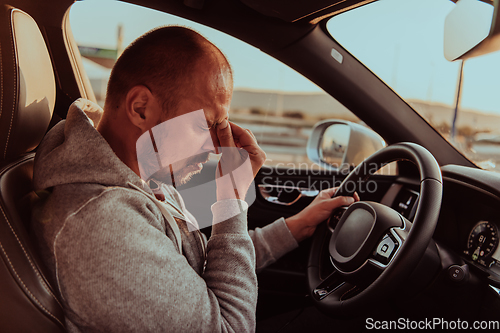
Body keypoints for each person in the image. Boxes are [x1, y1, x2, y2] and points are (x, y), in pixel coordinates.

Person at [32, 26, 356, 332]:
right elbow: (231, 327)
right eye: (205, 126)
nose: (217, 146)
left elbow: (199, 269)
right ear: (141, 108)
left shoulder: (142, 179)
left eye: (220, 128)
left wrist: (296, 226)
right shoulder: (102, 225)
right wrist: (231, 201)